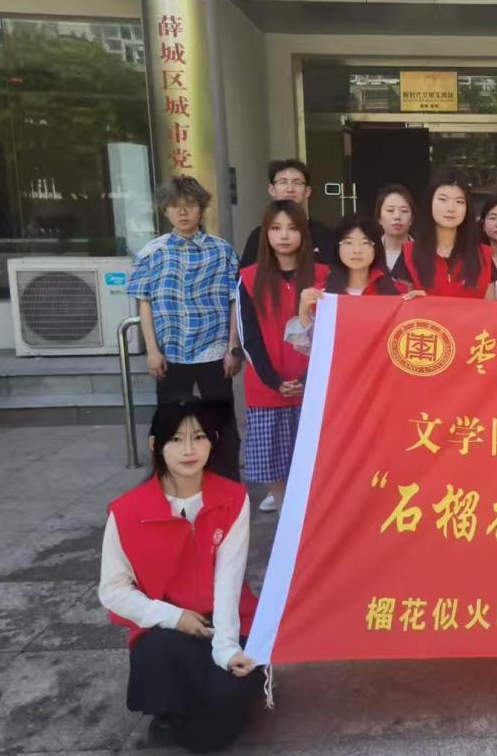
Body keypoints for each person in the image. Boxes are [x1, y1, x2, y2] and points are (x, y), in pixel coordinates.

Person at [99, 398, 264, 753]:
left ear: (212, 442)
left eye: (199, 437)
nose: (189, 450)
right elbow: (113, 590)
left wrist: (226, 648)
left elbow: (229, 580)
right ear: (155, 445)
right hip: (169, 629)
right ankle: (170, 709)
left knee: (216, 725)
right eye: (176, 439)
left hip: (228, 620)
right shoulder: (127, 512)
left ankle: (215, 701)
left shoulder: (232, 498)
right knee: (161, 654)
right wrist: (174, 617)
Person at [128, 177, 242, 480]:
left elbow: (234, 300)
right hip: (171, 352)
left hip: (214, 351)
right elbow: (144, 303)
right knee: (169, 423)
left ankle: (227, 484)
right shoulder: (152, 252)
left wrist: (233, 347)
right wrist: (152, 351)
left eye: (190, 205)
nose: (182, 212)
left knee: (222, 422)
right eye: (175, 206)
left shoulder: (222, 251)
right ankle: (169, 483)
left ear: (201, 209)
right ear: (165, 210)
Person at [236, 202, 327, 514]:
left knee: (315, 463)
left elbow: (330, 333)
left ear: (304, 234)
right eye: (276, 228)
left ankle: (309, 526)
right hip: (267, 389)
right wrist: (274, 381)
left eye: (292, 228)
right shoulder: (249, 278)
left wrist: (306, 378)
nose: (284, 236)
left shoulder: (324, 276)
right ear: (266, 234)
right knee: (274, 468)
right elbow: (248, 337)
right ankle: (285, 524)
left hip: (313, 388)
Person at [286, 216, 418, 355]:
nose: (357, 250)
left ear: (376, 248)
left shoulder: (398, 292)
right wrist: (304, 311)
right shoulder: (322, 293)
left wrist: (420, 304)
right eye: (348, 242)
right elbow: (314, 348)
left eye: (365, 243)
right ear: (338, 248)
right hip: (340, 368)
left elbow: (408, 340)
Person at [392, 171, 493, 299]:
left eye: (459, 201)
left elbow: (492, 309)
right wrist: (416, 302)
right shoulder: (409, 254)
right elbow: (400, 306)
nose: (451, 208)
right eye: (443, 199)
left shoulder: (485, 256)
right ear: (430, 202)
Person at [239, 159, 335, 266]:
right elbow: (247, 274)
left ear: (307, 191)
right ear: (272, 190)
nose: (290, 189)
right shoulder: (258, 235)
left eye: (297, 183)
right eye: (283, 182)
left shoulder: (324, 234)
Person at [375, 183, 416, 275]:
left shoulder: (423, 253)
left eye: (404, 211)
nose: (397, 216)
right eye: (390, 210)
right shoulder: (370, 253)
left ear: (412, 219)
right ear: (379, 218)